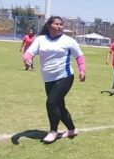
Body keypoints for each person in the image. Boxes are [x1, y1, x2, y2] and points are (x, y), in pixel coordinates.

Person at [23, 16, 86, 144]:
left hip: (65, 76)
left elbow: (79, 56)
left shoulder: (68, 41)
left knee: (51, 102)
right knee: (59, 106)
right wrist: (27, 59)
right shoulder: (40, 40)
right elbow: (29, 53)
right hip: (48, 78)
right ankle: (72, 130)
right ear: (49, 26)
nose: (59, 26)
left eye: (61, 24)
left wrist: (82, 70)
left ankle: (53, 132)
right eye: (56, 24)